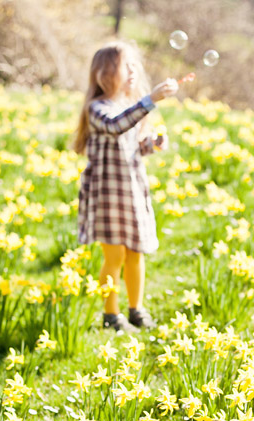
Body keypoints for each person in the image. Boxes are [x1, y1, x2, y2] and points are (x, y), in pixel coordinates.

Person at [73, 41, 179, 333]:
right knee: (114, 256)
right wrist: (150, 100)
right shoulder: (98, 109)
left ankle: (136, 309)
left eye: (134, 65)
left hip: (131, 192)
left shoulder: (127, 108)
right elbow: (117, 125)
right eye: (125, 66)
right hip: (107, 196)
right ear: (105, 73)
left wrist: (152, 144)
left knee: (136, 252)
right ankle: (111, 315)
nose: (133, 71)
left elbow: (132, 146)